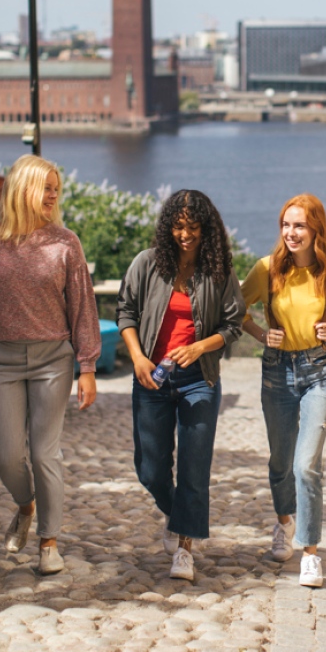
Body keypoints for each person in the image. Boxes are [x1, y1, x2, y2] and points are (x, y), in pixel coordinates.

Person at [0, 154, 100, 575]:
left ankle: (48, 542)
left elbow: (83, 307)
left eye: (56, 189)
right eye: (45, 188)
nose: (53, 195)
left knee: (44, 451)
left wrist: (87, 366)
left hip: (54, 360)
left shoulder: (65, 242)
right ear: (21, 189)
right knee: (7, 454)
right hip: (2, 360)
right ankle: (25, 504)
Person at [116, 190, 244, 582]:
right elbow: (126, 312)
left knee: (193, 467)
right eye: (178, 225)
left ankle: (185, 547)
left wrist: (200, 346)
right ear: (168, 226)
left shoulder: (219, 271)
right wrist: (138, 357)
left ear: (206, 229)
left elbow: (233, 325)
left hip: (199, 380)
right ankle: (179, 515)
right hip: (151, 376)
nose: (185, 234)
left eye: (193, 227)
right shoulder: (147, 264)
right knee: (150, 468)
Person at [241, 194, 326, 588]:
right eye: (286, 225)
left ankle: (310, 552)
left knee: (306, 464)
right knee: (280, 461)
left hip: (320, 371)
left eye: (300, 225)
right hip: (276, 372)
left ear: (316, 230)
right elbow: (234, 308)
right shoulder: (266, 268)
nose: (291, 233)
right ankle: (284, 523)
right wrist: (260, 332)